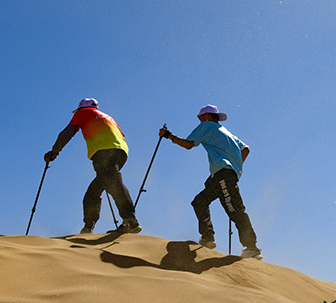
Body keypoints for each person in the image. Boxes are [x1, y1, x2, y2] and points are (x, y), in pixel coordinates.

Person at [159, 105, 261, 260]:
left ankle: (252, 248)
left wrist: (169, 136)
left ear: (206, 116)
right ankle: (208, 238)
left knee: (234, 209)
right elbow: (246, 149)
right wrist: (235, 165)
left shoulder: (207, 126)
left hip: (223, 174)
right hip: (222, 174)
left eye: (200, 117)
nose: (199, 121)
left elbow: (188, 144)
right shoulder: (227, 132)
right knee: (199, 202)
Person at [44, 98, 141, 234]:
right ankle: (89, 227)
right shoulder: (107, 117)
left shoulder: (83, 112)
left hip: (104, 151)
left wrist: (54, 152)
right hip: (122, 151)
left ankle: (130, 220)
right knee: (94, 192)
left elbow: (67, 133)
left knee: (113, 183)